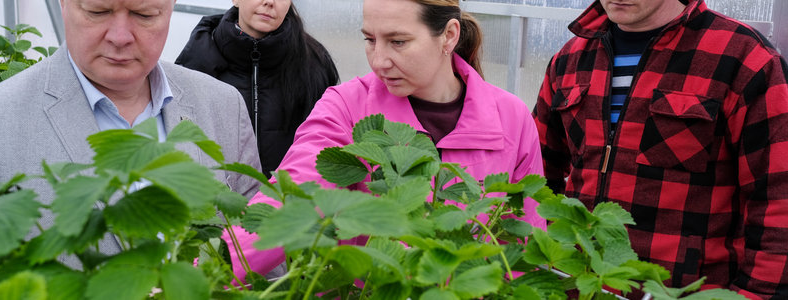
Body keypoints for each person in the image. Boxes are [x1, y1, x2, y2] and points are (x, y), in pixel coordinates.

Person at [220, 0, 546, 281]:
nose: (378, 61)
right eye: (370, 39)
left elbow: (523, 252)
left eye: (398, 41)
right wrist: (202, 273)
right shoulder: (347, 107)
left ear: (448, 36)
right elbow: (288, 203)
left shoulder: (511, 119)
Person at [532, 0, 788, 298]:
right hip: (579, 284)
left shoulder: (743, 57)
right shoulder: (569, 60)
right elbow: (536, 170)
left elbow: (787, 198)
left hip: (682, 290)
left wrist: (755, 295)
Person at [0, 0, 261, 263]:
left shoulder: (222, 105)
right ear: (64, 4)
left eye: (144, 14)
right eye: (97, 11)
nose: (120, 36)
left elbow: (260, 253)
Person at [176, 0, 339, 178]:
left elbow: (325, 145)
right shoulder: (199, 56)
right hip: (218, 200)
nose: (269, 2)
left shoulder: (314, 63)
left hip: (288, 200)